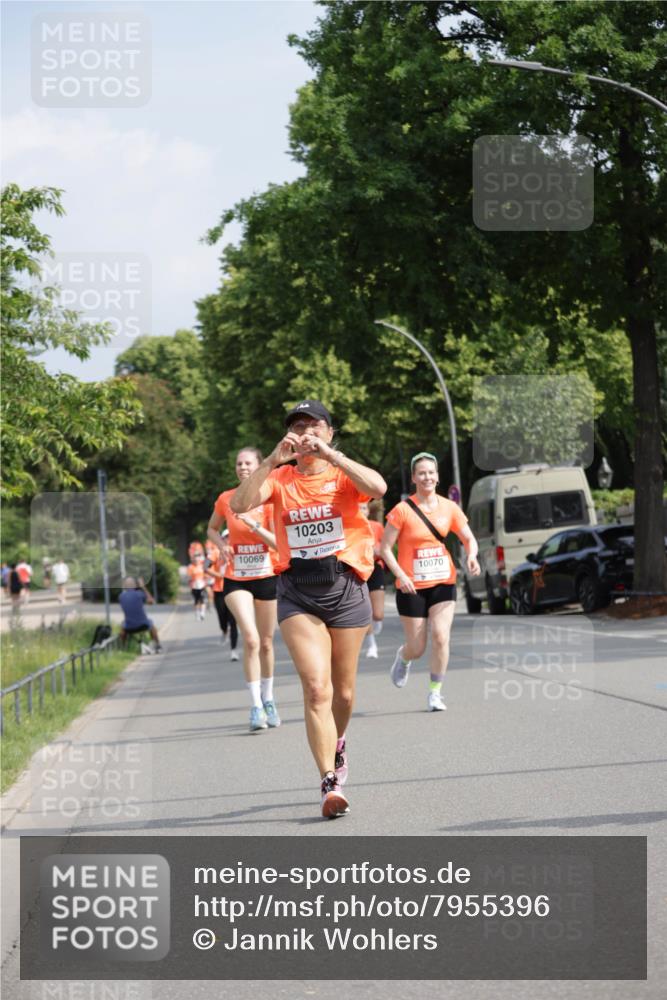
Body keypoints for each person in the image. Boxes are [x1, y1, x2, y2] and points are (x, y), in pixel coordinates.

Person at [231, 400, 386, 819]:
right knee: (317, 689)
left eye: (313, 426)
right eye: (297, 427)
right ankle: (328, 782)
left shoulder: (342, 474)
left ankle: (337, 743)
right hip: (298, 591)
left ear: (329, 432)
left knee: (345, 692)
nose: (305, 433)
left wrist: (330, 455)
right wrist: (269, 461)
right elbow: (240, 505)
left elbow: (378, 488)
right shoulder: (279, 479)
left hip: (346, 586)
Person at [380, 452, 481, 712]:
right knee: (417, 647)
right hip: (411, 585)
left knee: (440, 636)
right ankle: (403, 658)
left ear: (437, 476)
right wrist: (400, 575)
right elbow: (385, 548)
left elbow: (469, 538)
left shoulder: (449, 508)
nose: (427, 477)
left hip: (443, 581)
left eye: (431, 472)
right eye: (421, 473)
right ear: (414, 478)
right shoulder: (401, 510)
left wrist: (472, 556)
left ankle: (435, 693)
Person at [208, 447, 280, 733]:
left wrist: (255, 527)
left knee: (265, 642)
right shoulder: (227, 499)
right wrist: (222, 544)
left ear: (259, 465)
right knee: (250, 638)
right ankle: (255, 707)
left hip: (267, 575)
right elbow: (211, 529)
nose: (242, 467)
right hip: (237, 577)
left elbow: (278, 544)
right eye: (239, 463)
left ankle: (269, 698)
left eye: (248, 463)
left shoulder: (271, 499)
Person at [207, 533, 240, 659]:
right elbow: (206, 566)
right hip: (219, 590)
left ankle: (234, 650)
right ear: (222, 539)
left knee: (233, 622)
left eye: (231, 536)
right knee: (222, 618)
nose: (229, 539)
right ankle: (224, 631)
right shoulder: (215, 552)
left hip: (234, 589)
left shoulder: (238, 550)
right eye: (226, 537)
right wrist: (217, 575)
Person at [359, 499, 385, 658]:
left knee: (378, 614)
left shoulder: (377, 527)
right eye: (359, 508)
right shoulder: (350, 526)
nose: (362, 511)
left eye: (364, 508)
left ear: (368, 511)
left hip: (375, 568)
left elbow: (386, 549)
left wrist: (378, 551)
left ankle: (374, 629)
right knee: (366, 611)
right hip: (358, 569)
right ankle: (371, 644)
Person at [118, 576, 162, 651]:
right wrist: (143, 587)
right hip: (143, 624)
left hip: (129, 627)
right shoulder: (140, 594)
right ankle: (157, 645)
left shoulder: (121, 596)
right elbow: (151, 602)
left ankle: (122, 648)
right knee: (152, 626)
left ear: (125, 586)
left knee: (122, 627)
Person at [187, 553, 208, 620]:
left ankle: (202, 613)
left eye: (197, 560)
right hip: (194, 585)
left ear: (199, 560)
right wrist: (190, 584)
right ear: (193, 560)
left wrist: (205, 582)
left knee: (202, 599)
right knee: (196, 600)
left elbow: (206, 575)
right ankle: (197, 613)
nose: (196, 561)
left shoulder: (202, 566)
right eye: (195, 560)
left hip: (202, 585)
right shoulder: (190, 567)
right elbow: (189, 577)